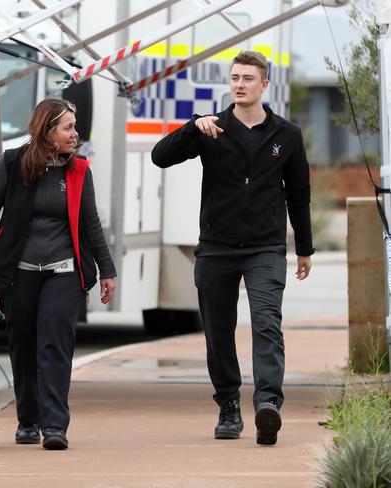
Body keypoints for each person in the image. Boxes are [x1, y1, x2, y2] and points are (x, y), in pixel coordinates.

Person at [151, 51, 313, 446]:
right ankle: (227, 407)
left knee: (266, 323)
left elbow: (299, 194)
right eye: (235, 77)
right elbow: (160, 157)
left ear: (264, 85)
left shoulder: (287, 135)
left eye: (247, 78)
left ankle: (267, 404)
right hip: (217, 247)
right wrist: (192, 127)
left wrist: (304, 247)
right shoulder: (213, 129)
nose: (239, 84)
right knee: (218, 332)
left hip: (265, 247)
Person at [0, 98, 116, 450]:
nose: (75, 134)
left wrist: (107, 271)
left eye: (74, 127)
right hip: (19, 272)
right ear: (47, 131)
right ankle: (28, 420)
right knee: (23, 345)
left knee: (55, 344)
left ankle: (55, 425)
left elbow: (91, 224)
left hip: (64, 271)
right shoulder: (12, 163)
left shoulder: (78, 171)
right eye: (68, 128)